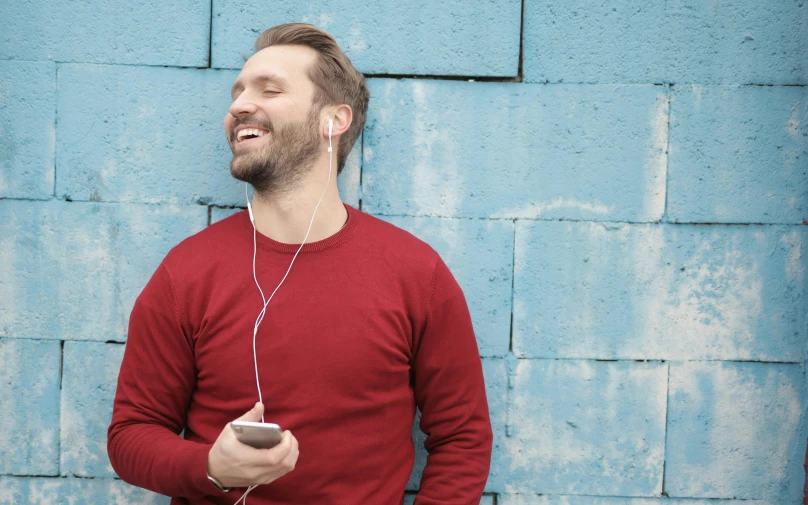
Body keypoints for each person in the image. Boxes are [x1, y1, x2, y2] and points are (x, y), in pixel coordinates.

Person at [107, 23, 492, 505]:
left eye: (269, 89)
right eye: (238, 92)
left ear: (334, 119)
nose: (239, 105)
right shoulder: (185, 273)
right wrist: (209, 467)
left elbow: (462, 439)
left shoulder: (416, 274)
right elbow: (131, 432)